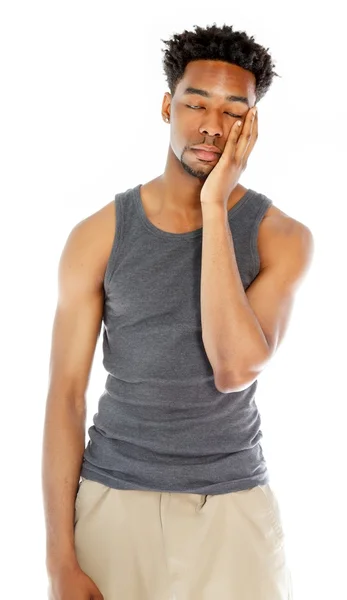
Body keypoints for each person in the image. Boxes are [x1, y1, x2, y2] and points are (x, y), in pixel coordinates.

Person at [42, 23, 314, 600]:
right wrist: (59, 561)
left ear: (253, 124)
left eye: (234, 111)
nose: (213, 125)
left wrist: (214, 205)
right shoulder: (98, 236)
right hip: (113, 503)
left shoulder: (281, 237)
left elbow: (234, 367)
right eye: (196, 103)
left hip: (233, 508)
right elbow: (66, 396)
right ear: (168, 106)